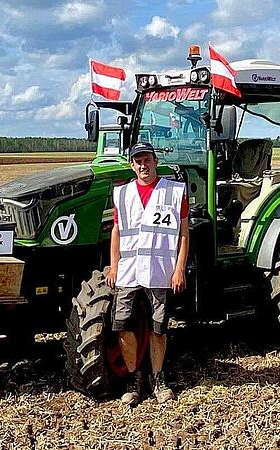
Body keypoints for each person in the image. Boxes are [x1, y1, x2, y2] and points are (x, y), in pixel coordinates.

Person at [105, 142, 189, 406]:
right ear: (132, 165)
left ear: (155, 161)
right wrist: (114, 265)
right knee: (122, 326)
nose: (143, 165)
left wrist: (179, 269)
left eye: (147, 160)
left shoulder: (174, 192)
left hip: (160, 272)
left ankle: (158, 379)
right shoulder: (123, 193)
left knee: (158, 329)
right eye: (138, 161)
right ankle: (133, 380)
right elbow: (116, 231)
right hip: (129, 272)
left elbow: (184, 233)